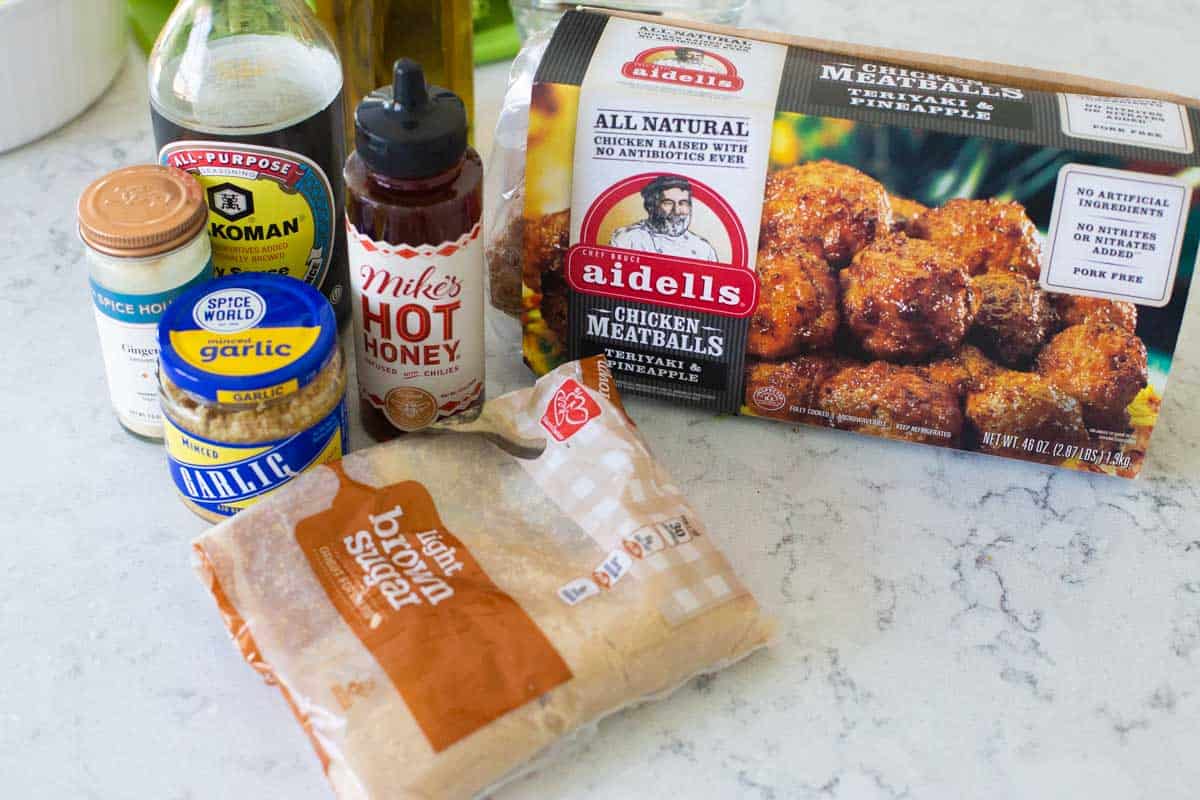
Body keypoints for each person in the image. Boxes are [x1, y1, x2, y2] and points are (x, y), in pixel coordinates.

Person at [610, 175, 719, 262]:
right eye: (668, 203)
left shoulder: (704, 249)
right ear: (650, 207)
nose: (676, 211)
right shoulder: (627, 240)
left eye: (683, 203)